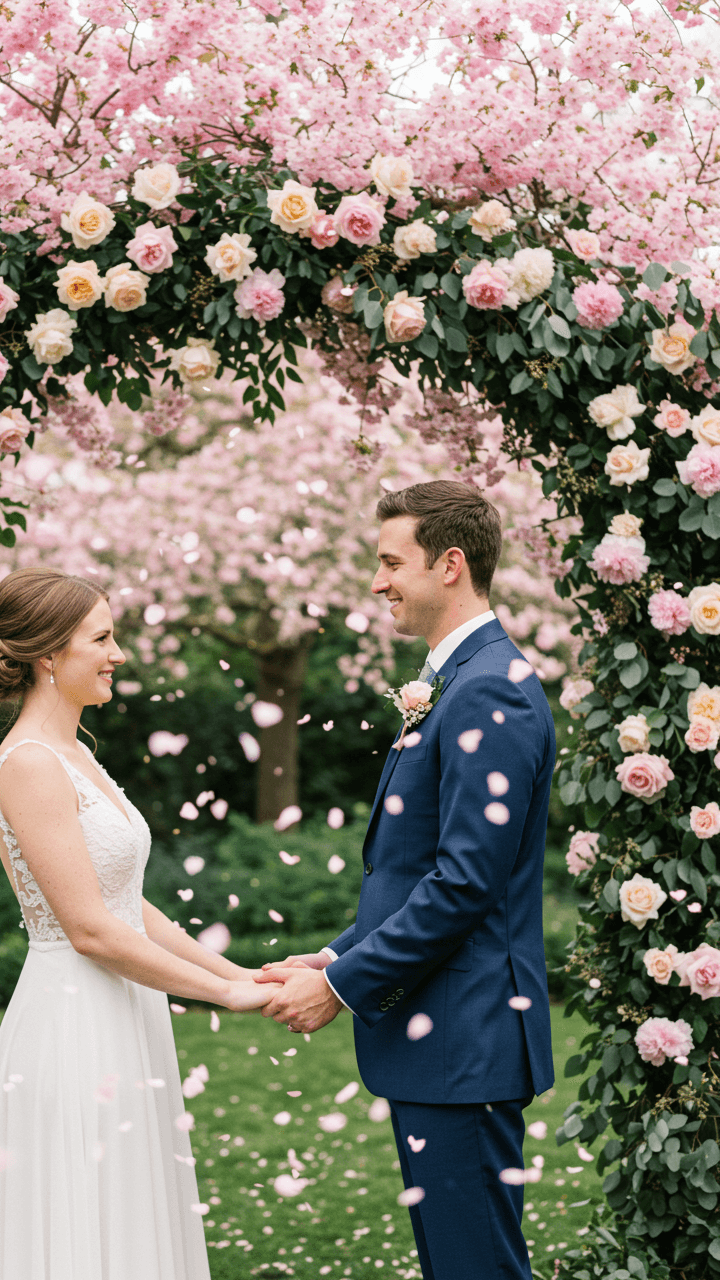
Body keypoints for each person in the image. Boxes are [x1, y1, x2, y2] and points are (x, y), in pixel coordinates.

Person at [256, 480, 556, 1280]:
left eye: (392, 562)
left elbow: (464, 886)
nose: (378, 580)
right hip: (444, 1040)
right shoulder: (458, 682)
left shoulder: (488, 689)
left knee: (475, 1270)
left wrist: (344, 986)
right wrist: (335, 953)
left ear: (449, 564)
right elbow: (417, 869)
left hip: (466, 1041)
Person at [0, 567, 275, 1280]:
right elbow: (90, 931)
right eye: (102, 638)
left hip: (122, 1010)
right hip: (74, 1020)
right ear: (48, 656)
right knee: (83, 1218)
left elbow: (126, 904)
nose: (119, 653)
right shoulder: (33, 764)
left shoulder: (78, 754)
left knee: (130, 1213)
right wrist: (223, 998)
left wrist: (239, 973)